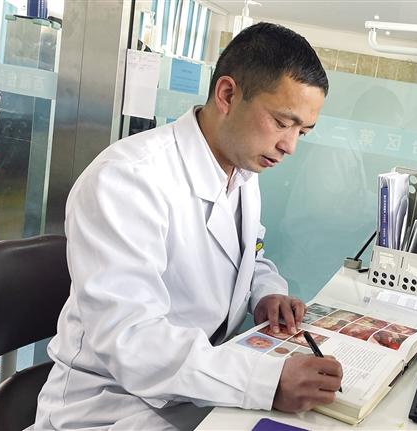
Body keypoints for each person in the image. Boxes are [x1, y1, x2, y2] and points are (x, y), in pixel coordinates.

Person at [34, 23, 343, 430]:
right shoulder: (127, 179)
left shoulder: (242, 170)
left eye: (302, 131)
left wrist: (267, 292)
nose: (290, 146)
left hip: (199, 387)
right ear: (227, 95)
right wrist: (266, 381)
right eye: (282, 122)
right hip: (112, 405)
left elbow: (249, 253)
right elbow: (132, 340)